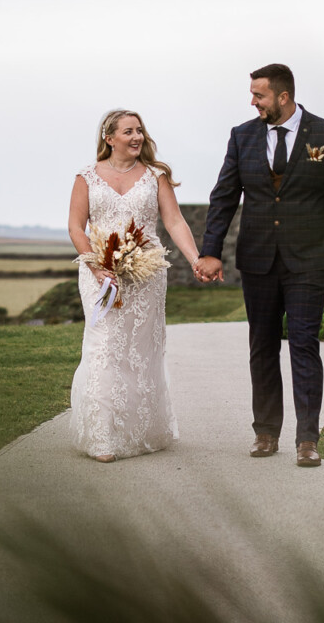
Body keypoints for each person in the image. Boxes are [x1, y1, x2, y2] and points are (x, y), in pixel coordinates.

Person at [196, 64, 324, 467]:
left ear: (283, 97)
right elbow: (224, 196)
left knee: (304, 344)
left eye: (259, 95)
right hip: (258, 259)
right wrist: (211, 250)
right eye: (252, 95)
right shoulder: (242, 136)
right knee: (262, 346)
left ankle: (307, 439)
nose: (253, 102)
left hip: (308, 259)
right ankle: (266, 433)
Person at [67, 109, 204, 463]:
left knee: (139, 352)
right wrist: (97, 267)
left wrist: (194, 259)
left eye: (140, 130)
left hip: (146, 274)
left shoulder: (155, 176)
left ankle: (142, 428)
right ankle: (103, 437)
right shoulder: (86, 176)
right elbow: (75, 227)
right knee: (105, 346)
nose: (137, 137)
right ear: (109, 138)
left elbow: (174, 221)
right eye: (128, 131)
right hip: (101, 274)